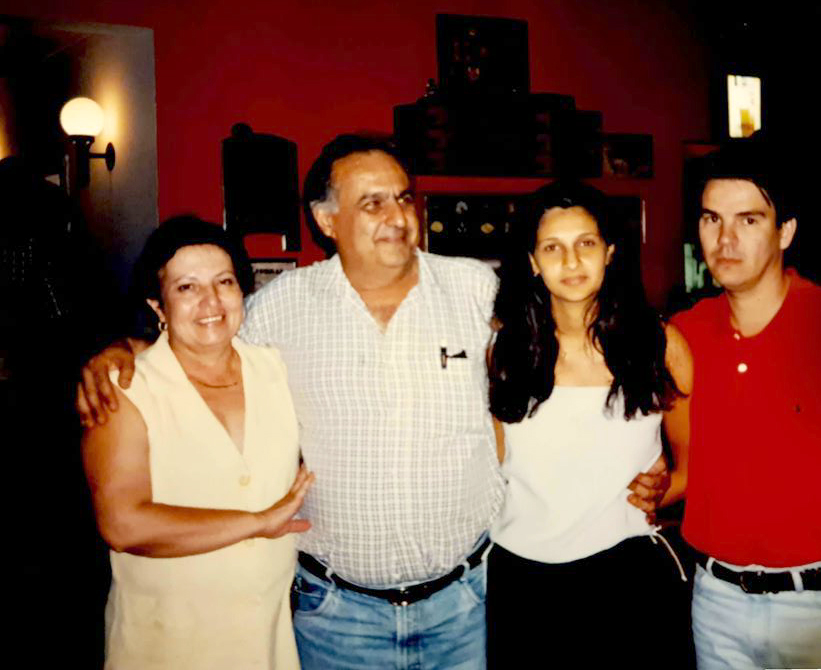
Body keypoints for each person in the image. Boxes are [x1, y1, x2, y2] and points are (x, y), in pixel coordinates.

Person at [77, 136, 669, 669]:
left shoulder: (477, 288)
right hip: (337, 615)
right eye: (372, 203)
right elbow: (200, 335)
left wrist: (648, 457)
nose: (396, 217)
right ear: (326, 220)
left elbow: (575, 357)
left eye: (403, 198)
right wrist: (122, 348)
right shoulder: (281, 308)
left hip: (467, 605)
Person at [673, 137, 821, 669]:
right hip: (716, 602)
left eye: (749, 220)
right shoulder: (684, 335)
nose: (726, 240)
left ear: (786, 232)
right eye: (712, 219)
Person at [82, 216, 313, 669]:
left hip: (267, 640)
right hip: (166, 640)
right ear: (158, 305)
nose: (211, 301)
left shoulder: (278, 368)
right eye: (186, 288)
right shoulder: (127, 387)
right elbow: (123, 524)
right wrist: (257, 522)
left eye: (224, 282)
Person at [486, 181, 693, 668]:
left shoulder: (660, 343)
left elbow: (696, 464)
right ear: (533, 262)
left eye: (586, 244)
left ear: (610, 253)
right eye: (552, 248)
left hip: (629, 577)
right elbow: (492, 469)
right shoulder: (502, 352)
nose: (571, 262)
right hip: (522, 577)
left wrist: (664, 490)